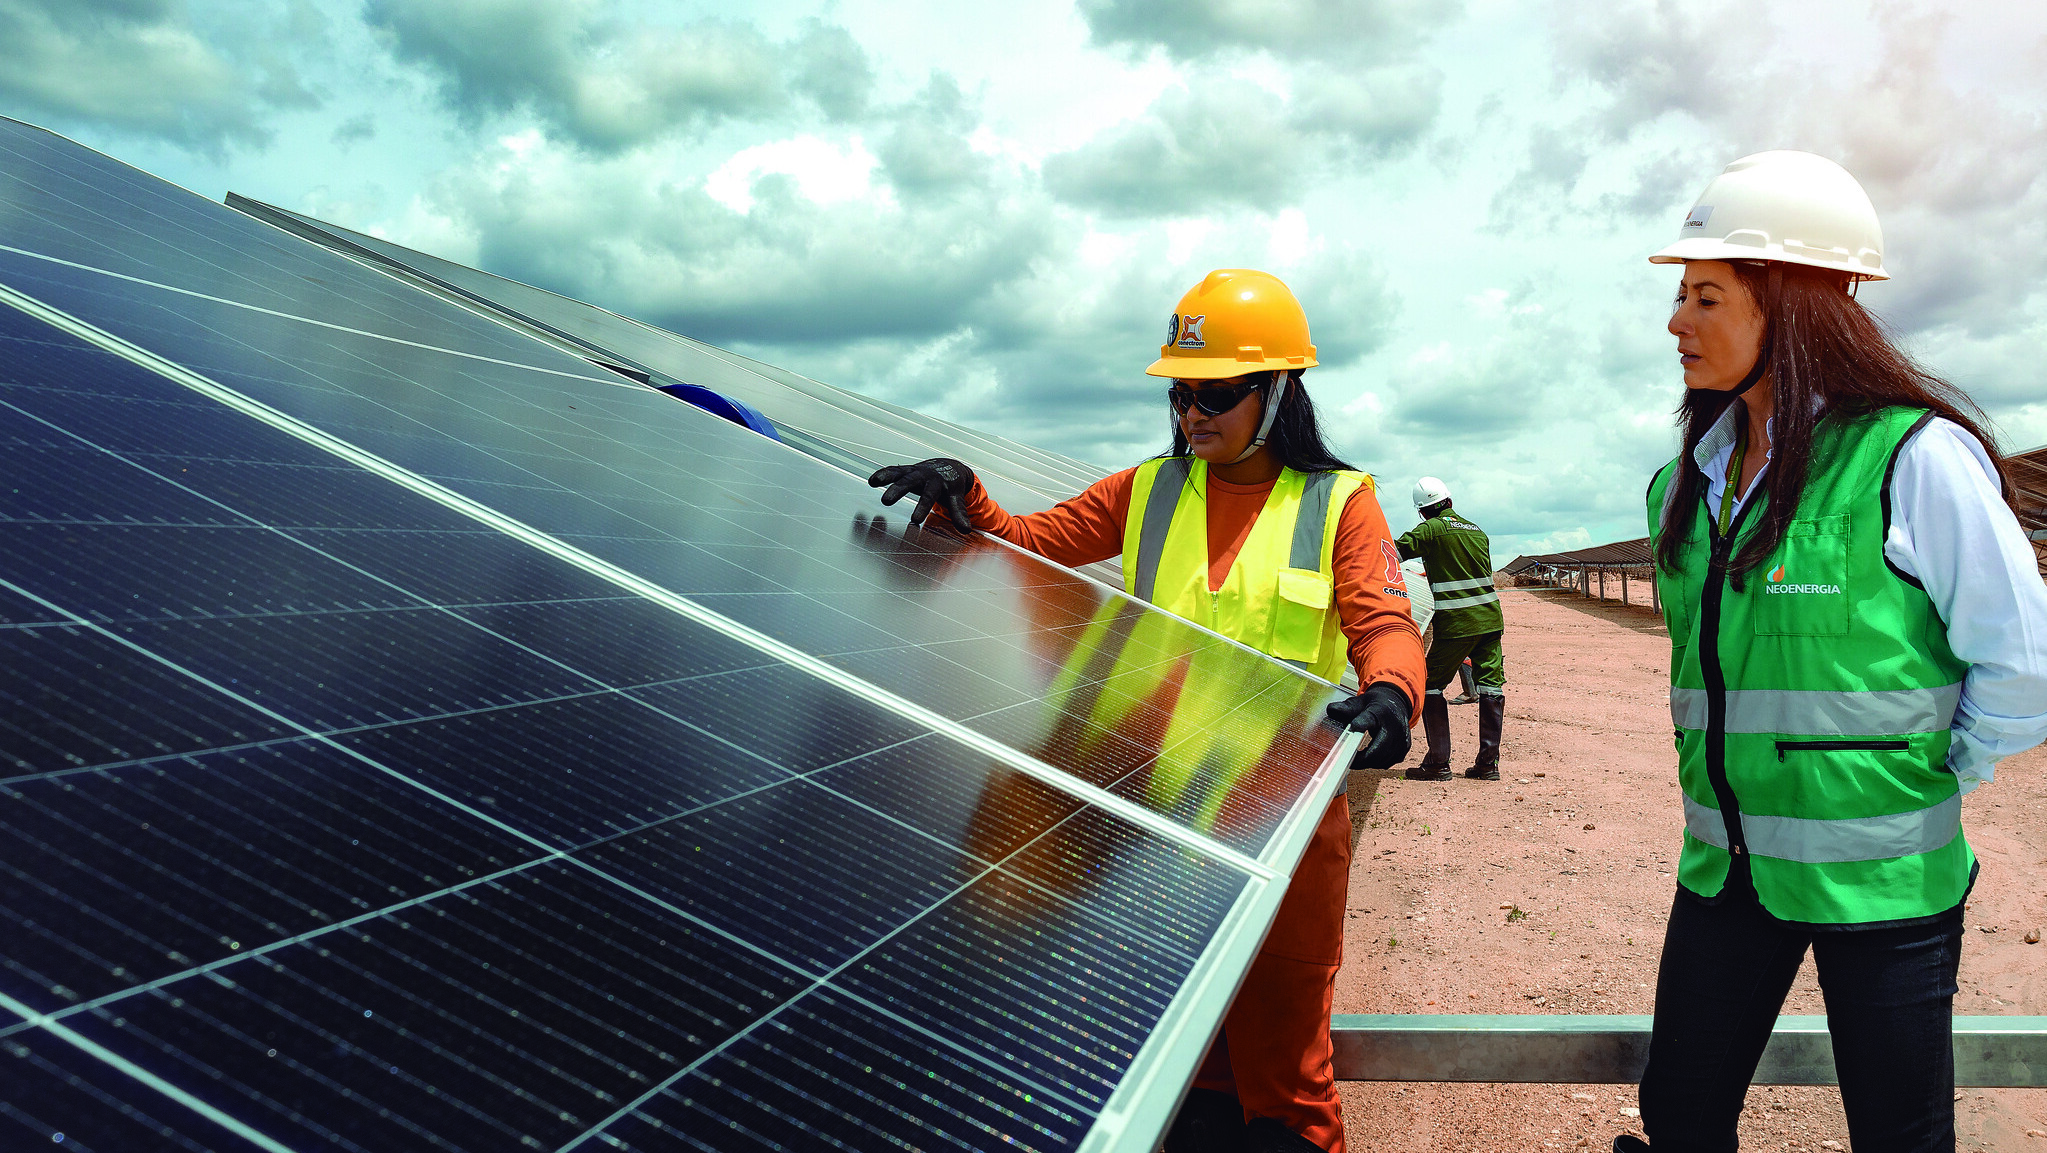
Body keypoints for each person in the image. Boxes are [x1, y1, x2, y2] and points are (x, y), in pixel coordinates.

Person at [868, 268, 1426, 1153]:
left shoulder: (1339, 500)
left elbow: (1381, 618)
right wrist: (964, 491)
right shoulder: (1148, 490)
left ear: (1278, 390)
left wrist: (1394, 689)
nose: (1191, 414)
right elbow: (1031, 544)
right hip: (1152, 827)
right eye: (1178, 394)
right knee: (1184, 1071)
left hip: (1277, 832)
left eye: (1215, 394)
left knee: (1285, 1083)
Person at [1619, 150, 2047, 1153]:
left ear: (1791, 305)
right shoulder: (1686, 481)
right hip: (1726, 873)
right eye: (1680, 296)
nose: (1675, 322)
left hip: (1885, 883)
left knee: (1897, 1137)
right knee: (1678, 1115)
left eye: (1705, 297)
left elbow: (2024, 659)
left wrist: (1929, 767)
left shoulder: (1913, 457)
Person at [1394, 477, 1505, 780]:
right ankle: (1487, 765)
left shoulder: (1430, 529)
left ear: (1422, 512)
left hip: (1458, 622)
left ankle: (1438, 762)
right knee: (1491, 686)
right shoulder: (1477, 531)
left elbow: (1392, 554)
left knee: (1429, 684)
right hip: (1491, 619)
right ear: (1450, 502)